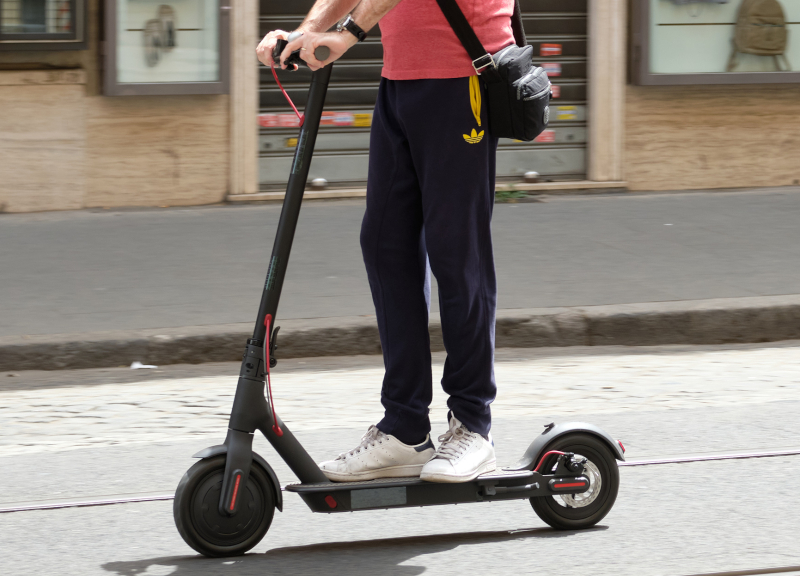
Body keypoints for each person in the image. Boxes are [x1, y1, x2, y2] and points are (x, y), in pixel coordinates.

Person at [256, 0, 515, 483]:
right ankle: (405, 428)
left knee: (457, 253)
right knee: (384, 244)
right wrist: (307, 30)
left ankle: (473, 427)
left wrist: (349, 32)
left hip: (463, 77)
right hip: (400, 81)